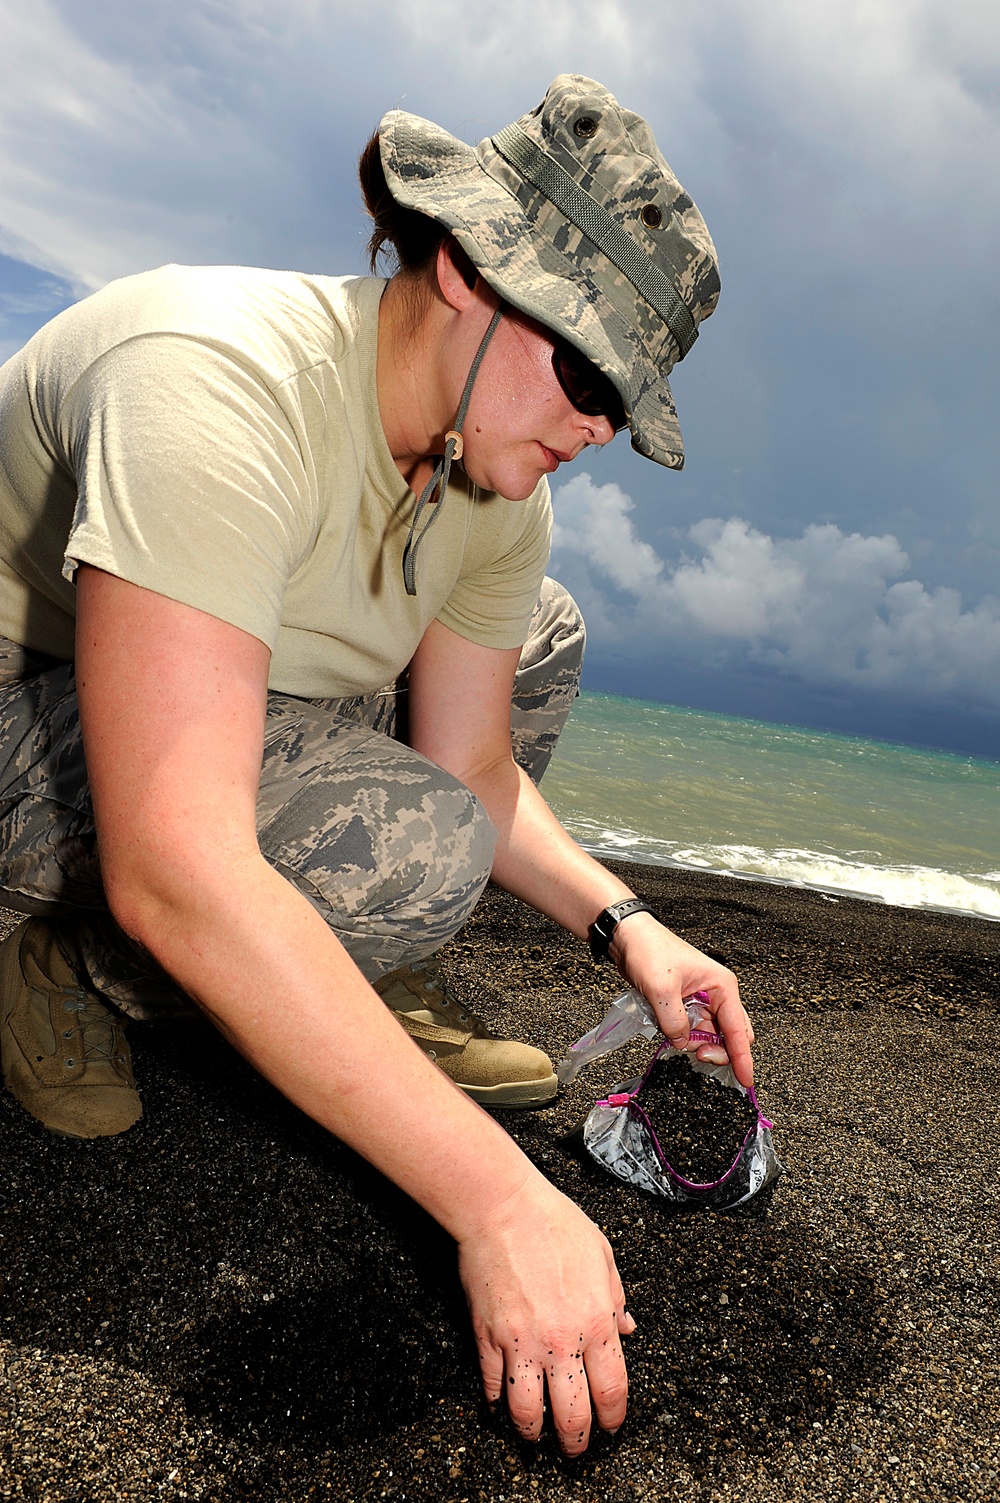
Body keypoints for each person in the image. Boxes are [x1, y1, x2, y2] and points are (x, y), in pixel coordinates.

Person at [0, 75, 754, 1452]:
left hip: (204, 707)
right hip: (24, 717)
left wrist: (633, 930)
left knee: (535, 641)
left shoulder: (484, 485)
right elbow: (177, 861)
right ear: (466, 269)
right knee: (348, 858)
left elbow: (473, 767)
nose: (595, 432)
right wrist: (497, 1201)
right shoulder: (214, 377)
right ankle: (60, 948)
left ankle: (309, 982)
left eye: (624, 408)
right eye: (586, 374)